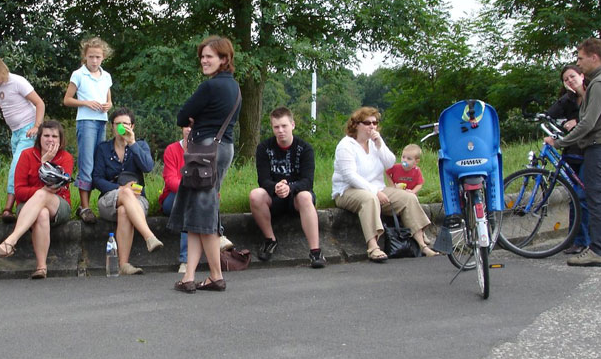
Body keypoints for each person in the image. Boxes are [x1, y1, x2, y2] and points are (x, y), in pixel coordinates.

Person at [168, 36, 242, 292]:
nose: (204, 60)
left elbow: (182, 116)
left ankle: (214, 275)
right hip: (223, 149)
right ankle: (190, 276)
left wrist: (194, 118)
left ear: (224, 59)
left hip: (204, 153)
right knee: (198, 210)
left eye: (209, 56)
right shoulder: (235, 88)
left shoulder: (209, 87)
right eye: (202, 56)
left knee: (204, 212)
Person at [546, 37, 601, 267]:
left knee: (595, 198)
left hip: (600, 145)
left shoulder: (599, 84)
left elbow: (588, 122)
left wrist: (561, 142)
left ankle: (597, 251)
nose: (578, 64)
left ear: (594, 57)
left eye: (580, 58)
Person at [331, 107, 437, 262]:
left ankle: (422, 245)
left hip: (377, 187)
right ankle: (373, 247)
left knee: (408, 198)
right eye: (367, 123)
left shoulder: (374, 143)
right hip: (347, 190)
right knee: (369, 199)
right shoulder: (346, 145)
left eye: (375, 123)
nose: (372, 126)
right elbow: (350, 176)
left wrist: (380, 144)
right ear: (356, 125)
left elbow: (390, 163)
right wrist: (375, 191)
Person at [0, 120, 75, 279]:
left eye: (54, 136)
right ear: (39, 137)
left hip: (59, 204)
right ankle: (41, 267)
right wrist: (40, 191)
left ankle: (11, 240)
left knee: (44, 194)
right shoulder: (27, 155)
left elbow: (56, 187)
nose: (50, 140)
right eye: (46, 135)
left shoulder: (66, 157)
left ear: (60, 139)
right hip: (27, 206)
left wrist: (45, 164)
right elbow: (19, 192)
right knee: (41, 213)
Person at [249, 107, 325, 268]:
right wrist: (276, 186)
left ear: (293, 125)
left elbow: (308, 181)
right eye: (276, 127)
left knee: (305, 196)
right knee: (255, 195)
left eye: (284, 126)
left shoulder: (305, 149)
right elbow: (263, 180)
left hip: (297, 196)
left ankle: (315, 251)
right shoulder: (264, 148)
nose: (281, 130)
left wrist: (290, 187)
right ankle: (270, 240)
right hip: (274, 195)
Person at [92, 107, 163, 274]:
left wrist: (132, 143)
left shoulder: (140, 145)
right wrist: (121, 188)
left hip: (138, 202)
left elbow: (148, 167)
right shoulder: (103, 148)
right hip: (109, 201)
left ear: (133, 126)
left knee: (124, 211)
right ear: (112, 127)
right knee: (125, 193)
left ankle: (123, 265)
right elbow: (97, 179)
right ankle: (149, 236)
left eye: (126, 124)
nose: (121, 128)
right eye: (117, 124)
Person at [0, 53, 45, 222]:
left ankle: (8, 208)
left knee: (16, 165)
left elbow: (39, 103)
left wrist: (37, 126)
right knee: (24, 169)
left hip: (28, 129)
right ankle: (22, 203)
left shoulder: (18, 82)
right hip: (15, 132)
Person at [63, 37, 113, 224]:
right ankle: (85, 206)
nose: (94, 61)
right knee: (87, 163)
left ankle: (98, 203)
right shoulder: (79, 74)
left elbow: (109, 100)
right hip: (86, 121)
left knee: (100, 162)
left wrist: (108, 105)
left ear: (103, 57)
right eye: (91, 56)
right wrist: (85, 103)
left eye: (98, 57)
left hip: (102, 120)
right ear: (85, 56)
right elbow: (67, 99)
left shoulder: (106, 76)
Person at [546, 64, 591, 254]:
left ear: (582, 76)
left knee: (581, 196)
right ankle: (575, 239)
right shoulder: (569, 100)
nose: (570, 81)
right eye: (566, 80)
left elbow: (596, 119)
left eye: (572, 76)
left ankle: (583, 240)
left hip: (588, 151)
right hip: (572, 152)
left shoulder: (592, 95)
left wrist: (577, 121)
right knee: (574, 197)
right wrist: (569, 94)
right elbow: (550, 113)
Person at [160, 125, 190, 273]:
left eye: (194, 126)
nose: (189, 129)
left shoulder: (205, 150)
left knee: (193, 204)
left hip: (195, 199)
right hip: (172, 198)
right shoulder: (172, 149)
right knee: (186, 202)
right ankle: (185, 260)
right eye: (186, 126)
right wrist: (190, 189)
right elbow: (170, 180)